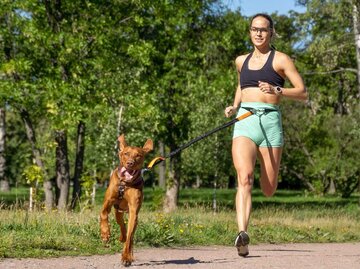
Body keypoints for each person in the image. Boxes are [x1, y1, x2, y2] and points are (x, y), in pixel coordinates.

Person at [224, 13, 308, 257]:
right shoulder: (241, 61)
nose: (258, 33)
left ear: (271, 32)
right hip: (245, 121)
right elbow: (241, 85)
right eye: (254, 29)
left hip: (270, 121)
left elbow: (302, 92)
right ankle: (242, 233)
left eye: (263, 29)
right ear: (250, 31)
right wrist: (234, 105)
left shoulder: (281, 59)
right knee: (244, 178)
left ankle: (261, 193)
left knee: (269, 188)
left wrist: (277, 89)